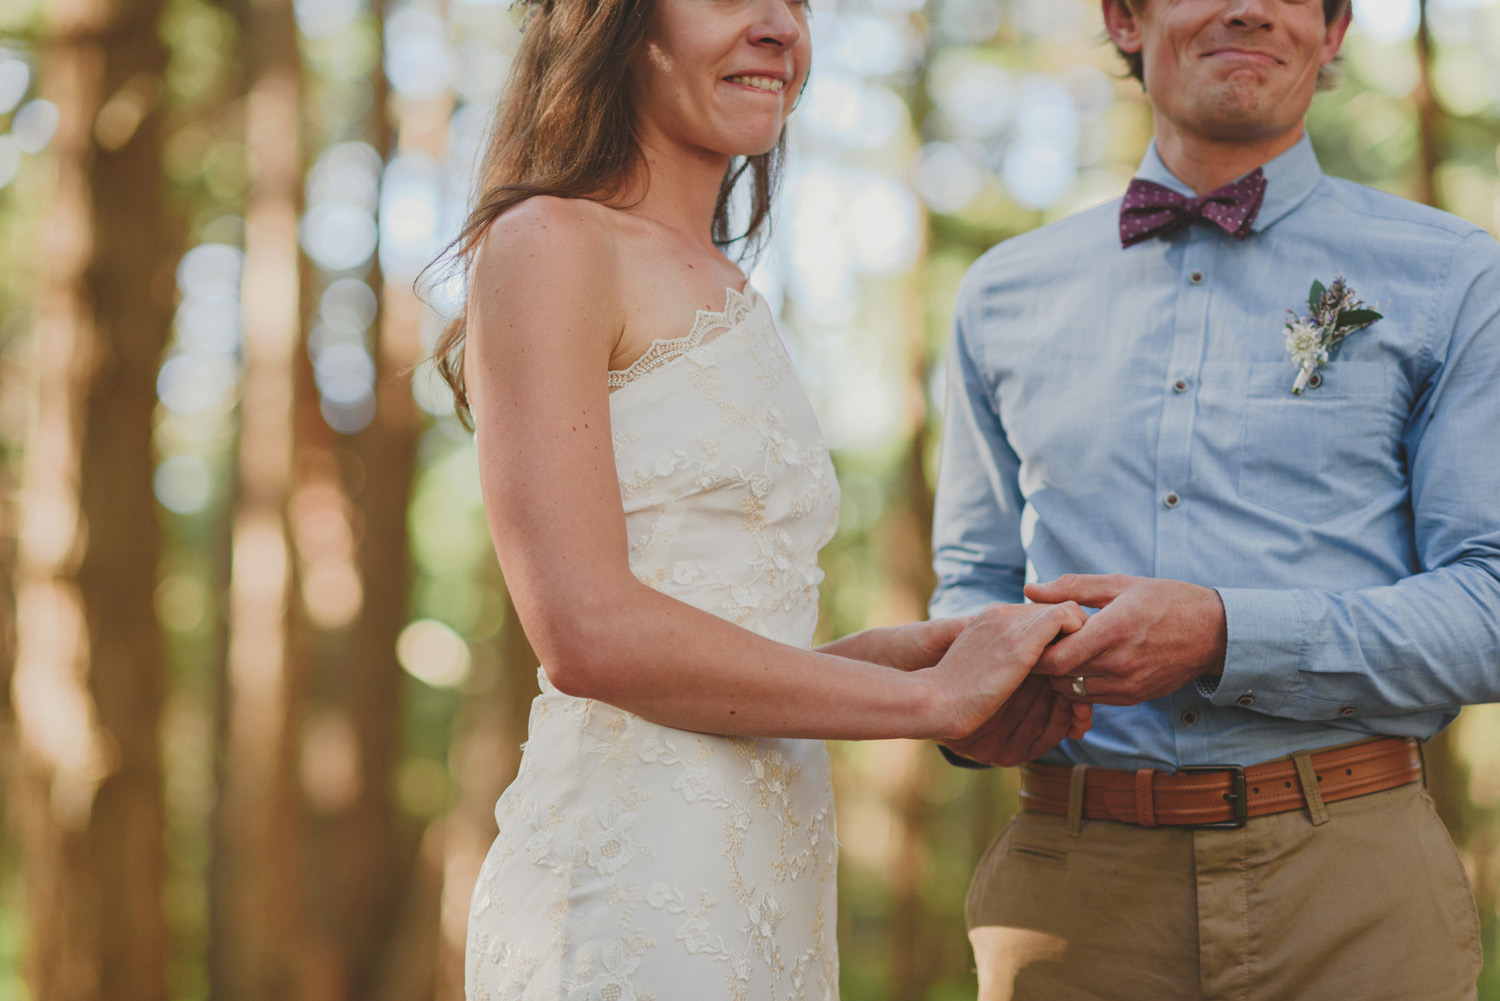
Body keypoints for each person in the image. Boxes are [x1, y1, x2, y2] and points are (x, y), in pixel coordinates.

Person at [427, 0, 1093, 995]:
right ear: (618, 24)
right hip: (626, 887)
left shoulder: (732, 286)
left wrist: (894, 654)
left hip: (762, 869)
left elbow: (705, 645)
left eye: (797, 0)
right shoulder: (551, 240)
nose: (780, 27)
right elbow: (587, 629)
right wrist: (922, 701)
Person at [930, 0, 1500, 998]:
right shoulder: (1000, 293)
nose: (1248, 5)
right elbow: (971, 581)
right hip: (1066, 898)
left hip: (1356, 889)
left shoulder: (1456, 276)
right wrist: (964, 697)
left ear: (1332, 32)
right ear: (1123, 17)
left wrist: (1230, 633)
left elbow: (1492, 604)